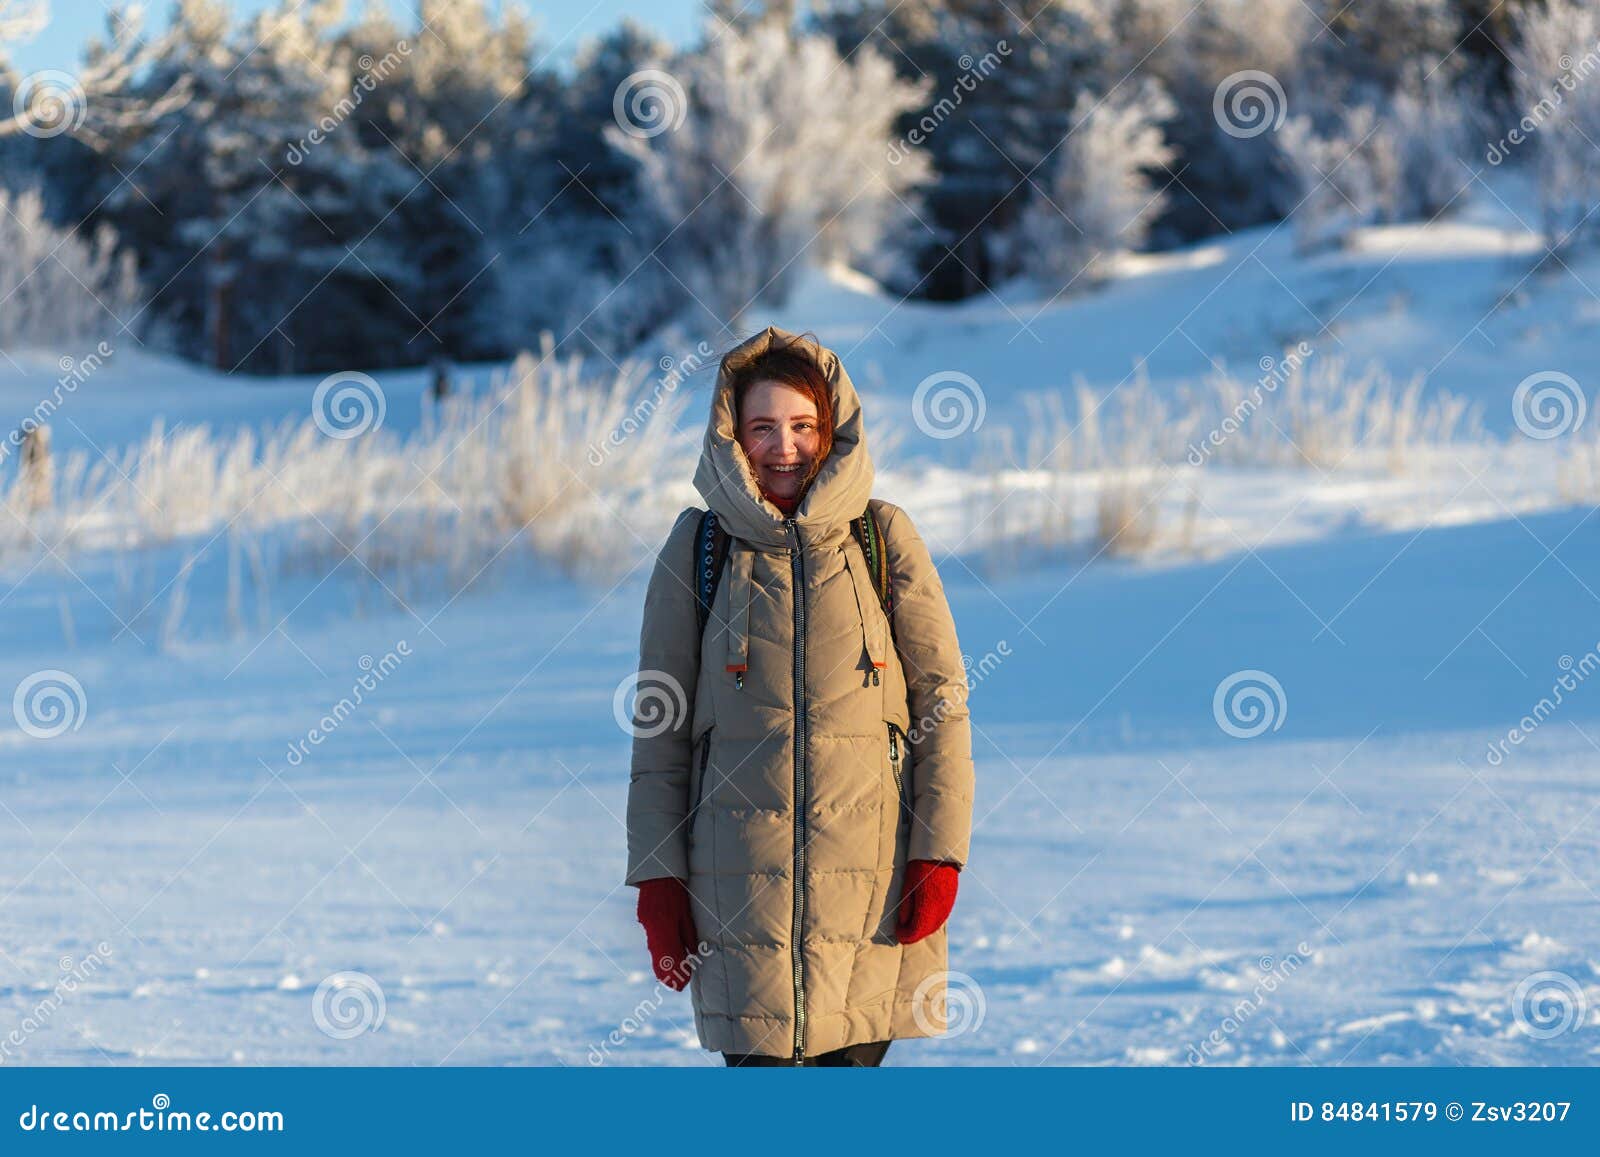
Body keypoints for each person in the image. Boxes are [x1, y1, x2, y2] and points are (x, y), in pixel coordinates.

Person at [624, 325, 975, 1066]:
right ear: (732, 436)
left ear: (833, 431)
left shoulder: (882, 538)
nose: (784, 447)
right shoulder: (698, 549)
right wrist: (658, 875)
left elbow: (943, 705)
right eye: (762, 427)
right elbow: (659, 724)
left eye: (803, 426)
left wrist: (939, 853)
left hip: (871, 892)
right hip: (736, 895)